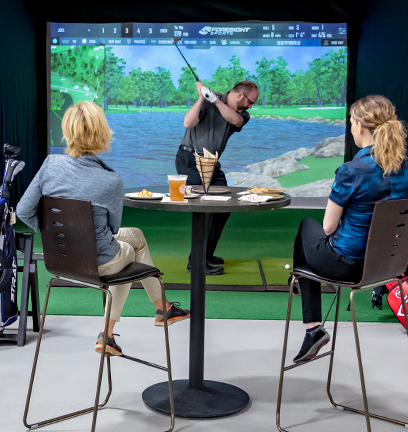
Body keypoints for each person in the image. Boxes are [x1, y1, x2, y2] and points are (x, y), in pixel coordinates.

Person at [291, 95, 408, 363]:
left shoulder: (350, 170)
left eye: (350, 123)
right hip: (388, 267)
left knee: (306, 228)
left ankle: (312, 325)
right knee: (313, 242)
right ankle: (305, 295)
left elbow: (328, 226)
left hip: (346, 265)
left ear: (360, 126)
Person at [18, 101, 190, 356]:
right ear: (102, 132)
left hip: (59, 259)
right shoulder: (111, 180)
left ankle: (162, 307)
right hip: (99, 262)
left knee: (136, 237)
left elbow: (23, 211)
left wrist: (55, 238)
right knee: (127, 255)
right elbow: (112, 229)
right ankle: (110, 331)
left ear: (67, 130)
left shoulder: (50, 165)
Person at [177, 80, 260, 276]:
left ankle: (206, 254)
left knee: (223, 208)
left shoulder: (242, 115)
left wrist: (213, 100)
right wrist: (201, 98)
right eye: (250, 102)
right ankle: (196, 262)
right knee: (205, 209)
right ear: (241, 95)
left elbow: (235, 120)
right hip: (190, 159)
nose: (250, 107)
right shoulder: (206, 101)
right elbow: (188, 123)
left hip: (211, 163)